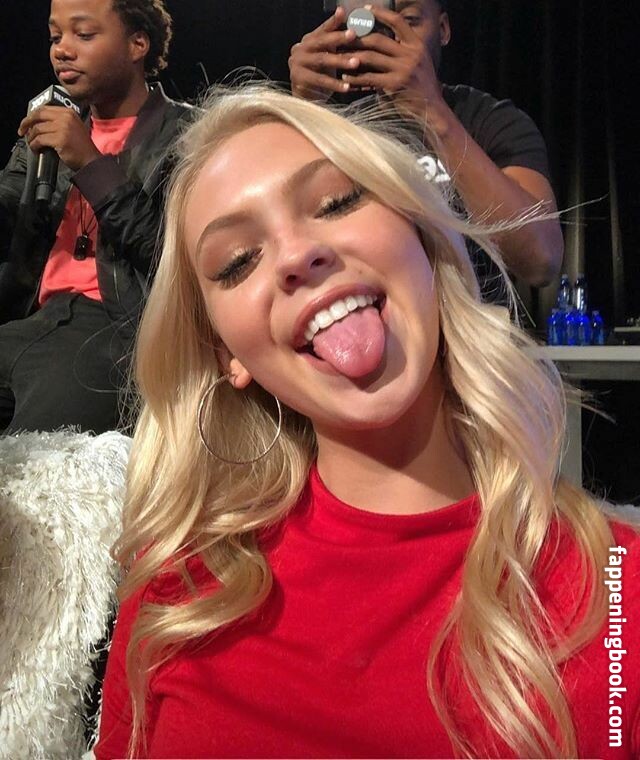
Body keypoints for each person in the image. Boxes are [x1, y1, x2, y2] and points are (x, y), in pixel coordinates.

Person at [95, 86, 639, 759]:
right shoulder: (175, 597)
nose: (297, 256)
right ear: (225, 354)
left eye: (336, 202)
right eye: (238, 262)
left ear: (422, 236)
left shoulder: (620, 590)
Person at [0, 0, 193, 434]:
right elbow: (8, 206)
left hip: (115, 333)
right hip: (29, 320)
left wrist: (90, 163)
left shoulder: (187, 135)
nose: (62, 50)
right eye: (55, 36)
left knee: (40, 462)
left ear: (137, 44)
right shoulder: (48, 130)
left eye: (83, 34)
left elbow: (172, 256)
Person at [288, 0, 564, 294]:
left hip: (476, 319)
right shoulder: (345, 131)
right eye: (375, 22)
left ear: (443, 29)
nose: (390, 38)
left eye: (408, 21)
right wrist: (303, 111)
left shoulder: (490, 121)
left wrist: (431, 112)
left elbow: (541, 260)